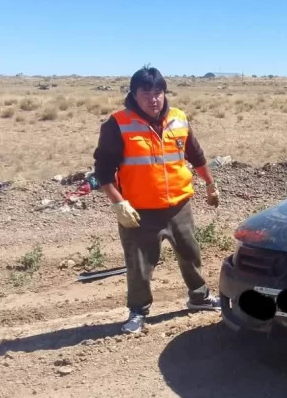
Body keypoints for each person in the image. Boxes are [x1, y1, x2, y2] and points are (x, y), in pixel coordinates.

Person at [93, 66, 221, 334]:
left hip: (179, 204)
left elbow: (196, 156)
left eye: (158, 91)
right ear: (134, 95)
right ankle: (138, 311)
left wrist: (210, 184)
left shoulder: (179, 119)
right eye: (146, 92)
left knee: (190, 253)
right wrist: (118, 203)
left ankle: (199, 296)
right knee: (139, 264)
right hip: (139, 210)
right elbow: (103, 170)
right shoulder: (118, 124)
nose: (154, 98)